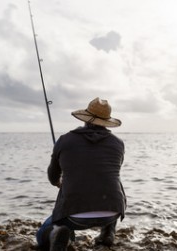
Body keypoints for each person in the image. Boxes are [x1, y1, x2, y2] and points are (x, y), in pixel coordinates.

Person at [36, 97, 126, 251]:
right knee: (111, 181)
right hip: (113, 211)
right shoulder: (118, 143)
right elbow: (106, 175)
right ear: (106, 121)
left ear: (86, 119)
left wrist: (60, 182)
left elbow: (52, 177)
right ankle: (107, 234)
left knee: (43, 233)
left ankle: (56, 234)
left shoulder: (65, 140)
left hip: (74, 217)